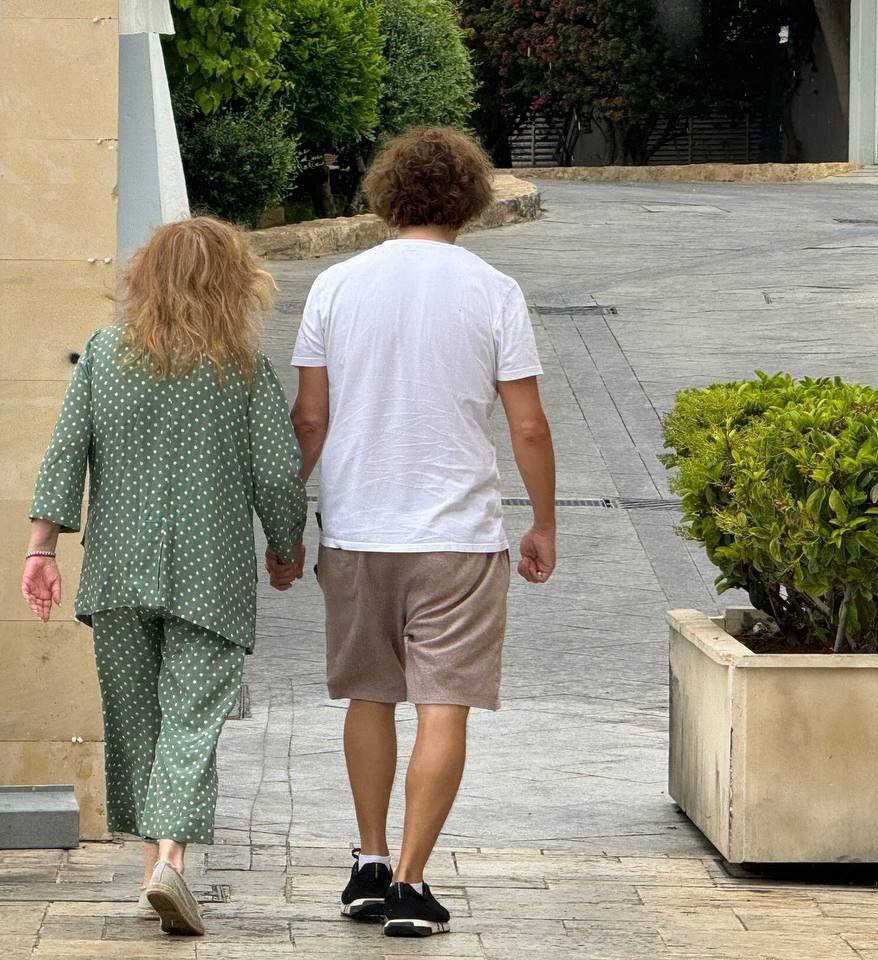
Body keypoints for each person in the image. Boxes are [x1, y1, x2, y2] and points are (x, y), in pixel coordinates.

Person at [282, 126, 557, 938]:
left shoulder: (335, 285)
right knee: (444, 706)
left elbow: (309, 418)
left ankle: (368, 864)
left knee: (369, 695)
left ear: (387, 194)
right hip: (458, 535)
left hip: (358, 528)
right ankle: (410, 881)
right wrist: (542, 521)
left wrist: (285, 517)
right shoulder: (494, 290)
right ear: (470, 199)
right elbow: (528, 425)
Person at [21, 217, 307, 937]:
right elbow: (278, 470)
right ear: (234, 283)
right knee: (190, 719)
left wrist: (41, 550)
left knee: (137, 722)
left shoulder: (105, 353)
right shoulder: (243, 370)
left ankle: (157, 870)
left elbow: (65, 452)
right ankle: (170, 858)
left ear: (145, 276)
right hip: (210, 576)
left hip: (118, 572)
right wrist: (285, 543)